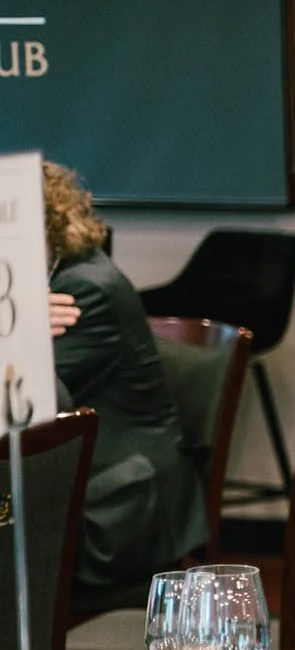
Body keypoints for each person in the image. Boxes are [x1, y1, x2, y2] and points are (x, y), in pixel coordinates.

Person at [44, 162, 206, 596]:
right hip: (92, 489)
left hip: (117, 513)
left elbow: (32, 398)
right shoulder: (66, 274)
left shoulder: (80, 290)